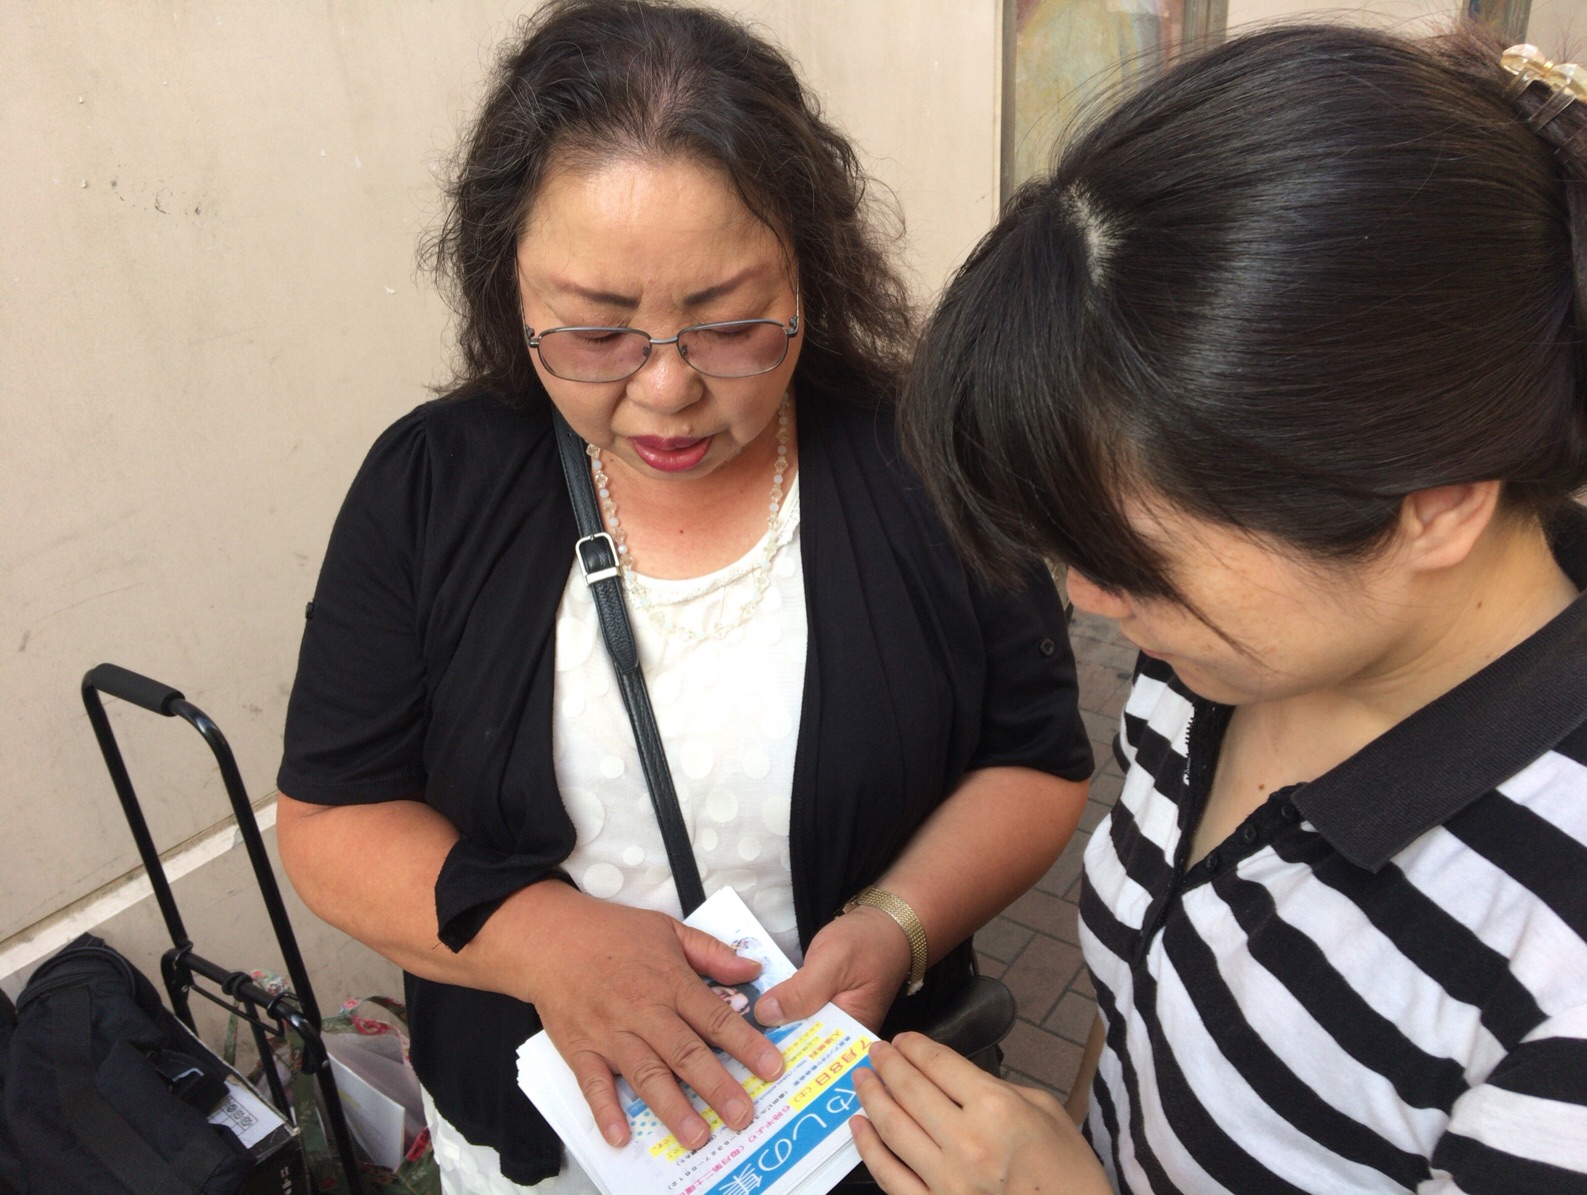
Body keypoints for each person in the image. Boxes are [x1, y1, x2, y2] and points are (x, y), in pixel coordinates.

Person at [272, 2, 1095, 1192]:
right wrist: (547, 943)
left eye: (728, 323)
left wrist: (900, 922)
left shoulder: (930, 469)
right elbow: (332, 817)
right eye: (596, 333)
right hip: (540, 1149)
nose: (666, 390)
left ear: (810, 271)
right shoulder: (431, 488)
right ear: (509, 288)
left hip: (843, 1132)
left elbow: (1035, 757)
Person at [852, 22, 1587, 1195]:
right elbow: (1146, 1000)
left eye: (1134, 559)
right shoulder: (1210, 665)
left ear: (1440, 503)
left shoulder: (1567, 952)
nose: (1088, 598)